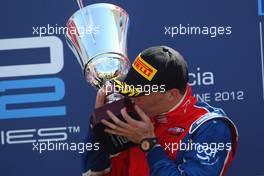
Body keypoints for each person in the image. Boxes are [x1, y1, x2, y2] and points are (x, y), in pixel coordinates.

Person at [82, 46, 238, 176]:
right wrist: (99, 120)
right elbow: (97, 172)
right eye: (129, 88)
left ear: (171, 95)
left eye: (139, 92)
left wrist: (148, 143)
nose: (130, 97)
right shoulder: (134, 115)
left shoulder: (210, 127)